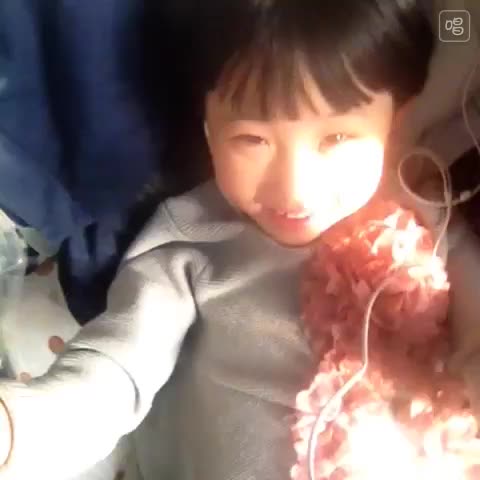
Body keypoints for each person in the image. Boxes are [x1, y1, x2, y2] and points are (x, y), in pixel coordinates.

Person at [1, 1, 469, 479]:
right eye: (252, 140)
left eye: (337, 139)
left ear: (396, 121)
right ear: (209, 130)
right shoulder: (190, 239)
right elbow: (115, 372)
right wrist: (19, 429)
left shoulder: (429, 221)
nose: (294, 189)